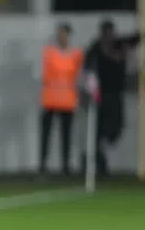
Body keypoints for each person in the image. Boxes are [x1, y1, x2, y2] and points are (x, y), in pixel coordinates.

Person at [84, 20, 138, 177]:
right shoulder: (95, 47)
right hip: (101, 95)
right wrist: (90, 88)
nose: (108, 36)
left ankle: (100, 148)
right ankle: (97, 163)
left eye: (110, 32)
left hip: (117, 94)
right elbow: (87, 66)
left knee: (116, 128)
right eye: (105, 33)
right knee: (97, 131)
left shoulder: (119, 43)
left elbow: (136, 39)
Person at [39, 23, 83, 177]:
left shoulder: (76, 54)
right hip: (50, 100)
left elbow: (78, 75)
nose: (62, 37)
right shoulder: (49, 53)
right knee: (46, 134)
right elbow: (43, 74)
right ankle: (43, 166)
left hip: (67, 101)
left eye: (64, 34)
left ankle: (66, 166)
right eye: (60, 34)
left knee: (66, 135)